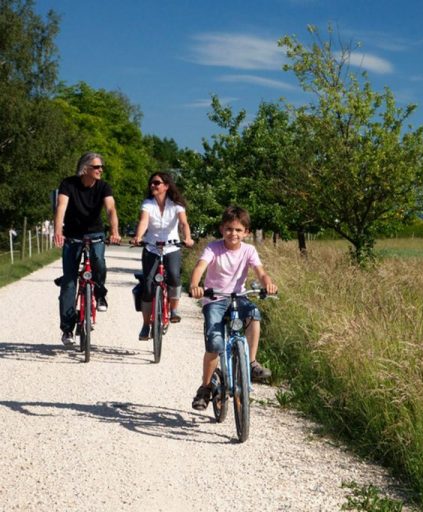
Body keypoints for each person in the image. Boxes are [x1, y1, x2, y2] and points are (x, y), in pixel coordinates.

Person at [188, 206, 278, 411]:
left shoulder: (249, 250)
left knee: (254, 314)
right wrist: (195, 285)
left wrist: (268, 284)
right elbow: (200, 267)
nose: (233, 233)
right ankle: (205, 388)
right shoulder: (213, 248)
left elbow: (260, 272)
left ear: (246, 232)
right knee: (215, 344)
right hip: (215, 299)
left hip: (238, 297)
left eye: (238, 230)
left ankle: (251, 362)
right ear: (222, 229)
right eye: (229, 229)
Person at [54, 152, 121, 345]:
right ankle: (67, 329)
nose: (101, 170)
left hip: (95, 234)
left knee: (99, 262)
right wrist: (58, 231)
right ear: (85, 168)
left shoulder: (103, 187)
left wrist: (114, 231)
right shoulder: (68, 184)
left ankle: (99, 295)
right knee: (69, 282)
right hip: (73, 236)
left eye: (101, 167)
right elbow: (61, 207)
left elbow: (110, 209)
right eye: (97, 167)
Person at [130, 172, 194, 340]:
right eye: (151, 183)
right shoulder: (148, 204)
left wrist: (187, 238)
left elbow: (183, 223)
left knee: (173, 276)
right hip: (152, 247)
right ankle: (146, 325)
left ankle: (174, 310)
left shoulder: (176, 205)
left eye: (157, 183)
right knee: (148, 285)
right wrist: (138, 237)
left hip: (171, 247)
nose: (153, 185)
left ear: (166, 186)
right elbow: (144, 221)